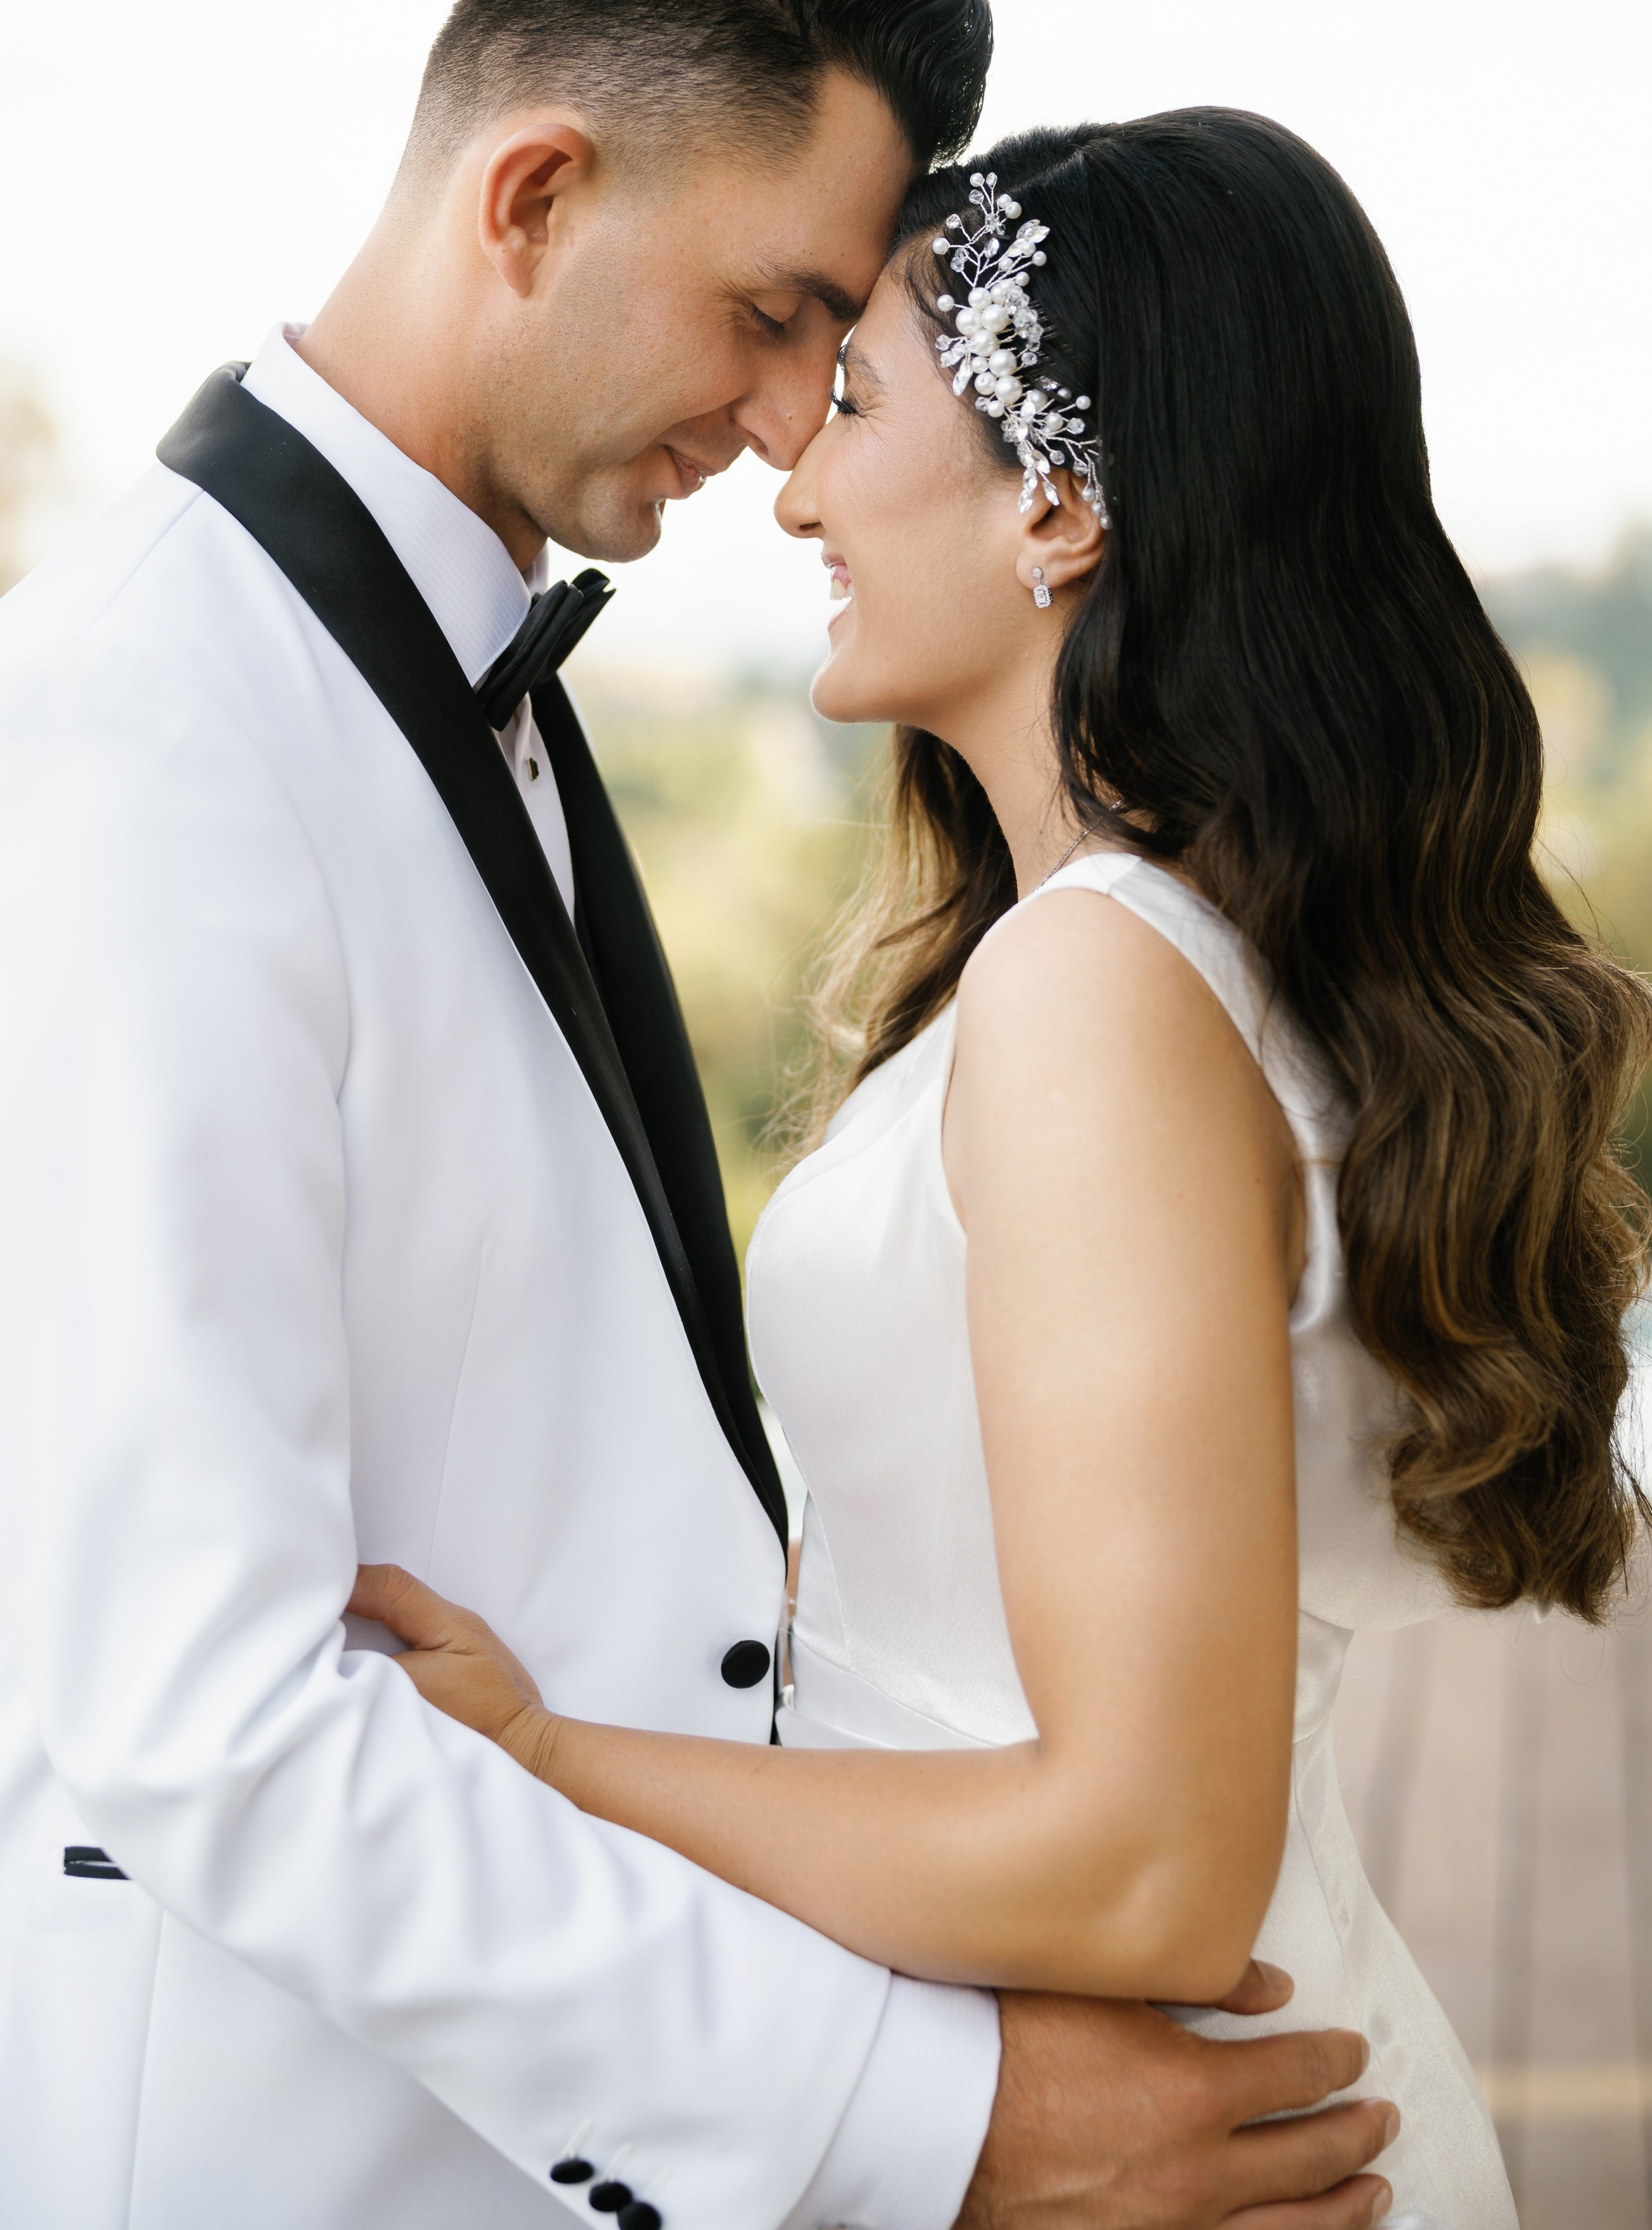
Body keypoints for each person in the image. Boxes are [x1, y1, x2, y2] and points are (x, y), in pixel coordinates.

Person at [0, 0, 1397, 2230]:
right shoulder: (125, 727)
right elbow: (206, 1711)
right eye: (777, 312)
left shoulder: (506, 716)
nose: (795, 421)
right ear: (536, 194)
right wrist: (924, 2120)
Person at [349, 109, 1652, 2230]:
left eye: (855, 397)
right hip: (1119, 2093)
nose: (793, 481)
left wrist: (551, 1767)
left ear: (1059, 501)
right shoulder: (1141, 962)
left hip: (1179, 2129)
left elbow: (1143, 1863)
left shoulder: (1096, 996)